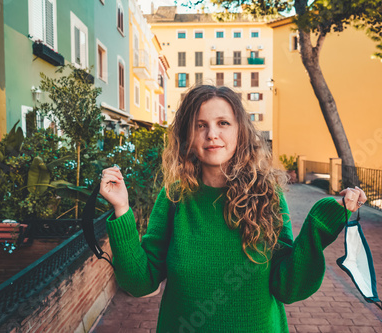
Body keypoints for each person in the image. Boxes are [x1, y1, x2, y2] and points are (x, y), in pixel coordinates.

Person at [100, 85, 366, 333]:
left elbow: (287, 287)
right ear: (188, 137)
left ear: (240, 131)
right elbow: (139, 282)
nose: (212, 134)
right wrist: (121, 209)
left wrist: (319, 225)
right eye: (200, 125)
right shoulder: (174, 198)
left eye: (223, 123)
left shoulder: (267, 196)